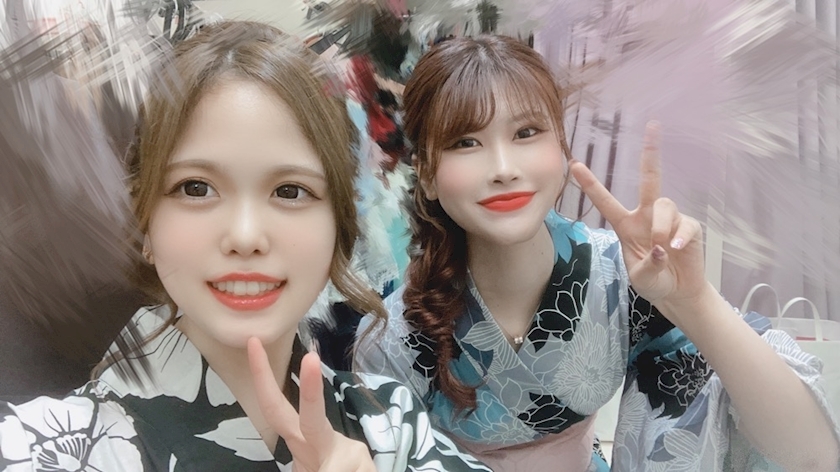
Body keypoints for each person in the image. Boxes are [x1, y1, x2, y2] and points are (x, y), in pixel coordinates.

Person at [0, 21, 491, 472]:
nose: (245, 236)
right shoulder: (46, 446)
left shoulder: (391, 427)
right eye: (196, 188)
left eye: (290, 191)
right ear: (146, 225)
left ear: (339, 230)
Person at [355, 34, 840, 471]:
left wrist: (693, 302)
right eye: (466, 142)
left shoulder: (622, 274)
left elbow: (809, 456)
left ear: (562, 148)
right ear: (427, 175)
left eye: (526, 133)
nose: (503, 168)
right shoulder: (392, 336)